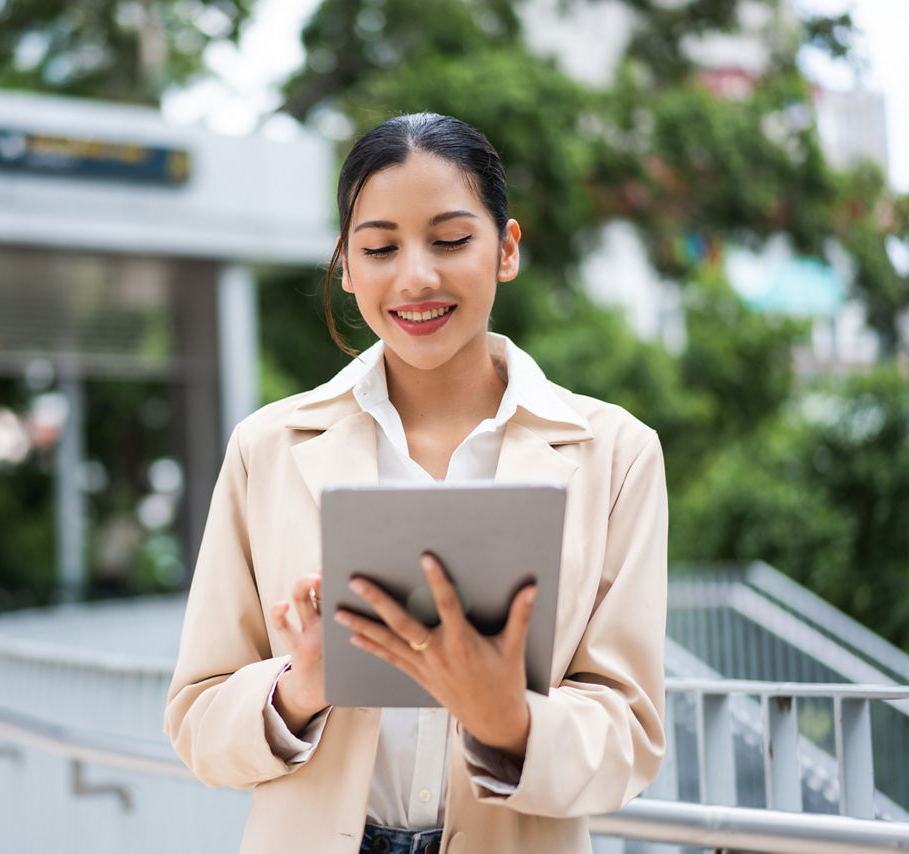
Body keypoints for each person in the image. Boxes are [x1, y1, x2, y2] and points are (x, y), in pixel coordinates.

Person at [164, 113, 667, 854]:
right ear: (345, 264)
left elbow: (631, 734)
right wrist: (300, 685)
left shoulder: (615, 454)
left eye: (451, 240)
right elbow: (196, 720)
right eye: (379, 248)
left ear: (506, 249)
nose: (416, 277)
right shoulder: (266, 449)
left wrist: (511, 722)